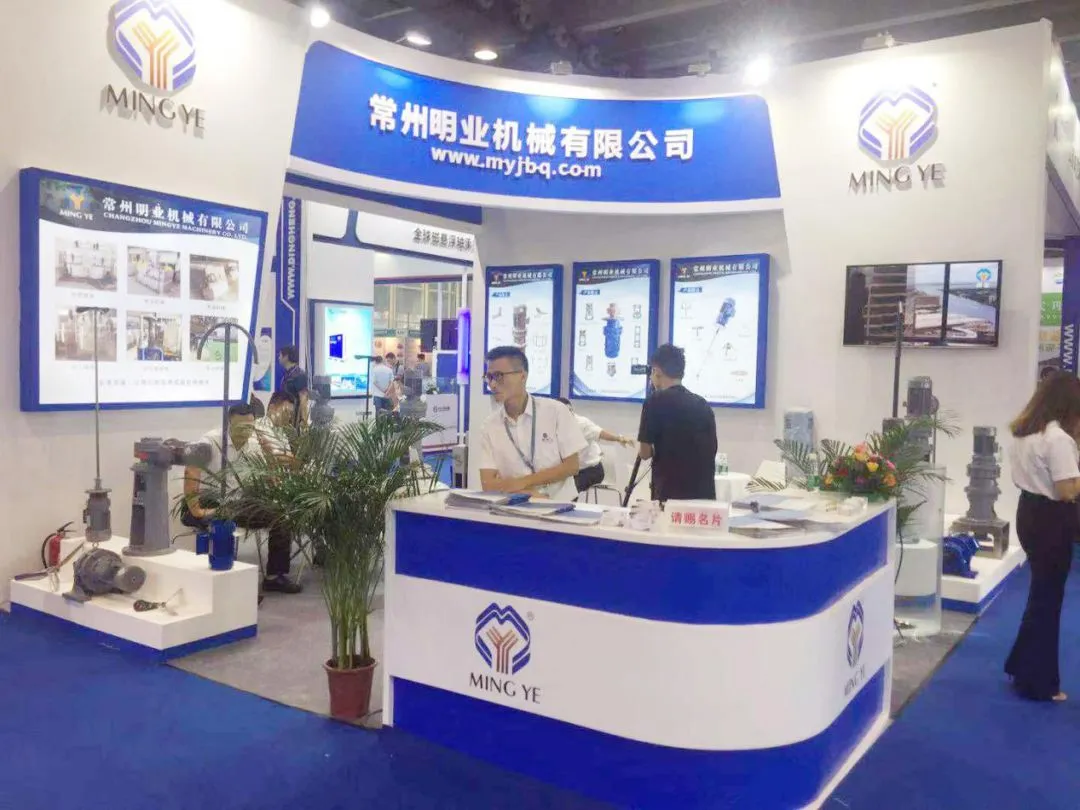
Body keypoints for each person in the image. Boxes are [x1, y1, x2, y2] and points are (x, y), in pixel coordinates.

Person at [1004, 371, 1080, 702]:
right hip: (1052, 520)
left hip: (1030, 514)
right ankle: (1038, 682)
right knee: (1048, 599)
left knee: (1040, 595)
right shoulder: (1058, 439)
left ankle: (1021, 665)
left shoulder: (1025, 434)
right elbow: (1067, 491)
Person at [182, 403, 302, 595]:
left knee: (281, 517)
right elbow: (191, 471)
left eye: (249, 426)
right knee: (224, 521)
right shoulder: (210, 441)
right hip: (210, 499)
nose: (245, 431)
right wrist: (196, 509)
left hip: (240, 503)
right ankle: (226, 584)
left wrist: (270, 454)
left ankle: (274, 576)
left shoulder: (256, 442)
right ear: (229, 423)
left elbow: (272, 473)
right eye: (240, 427)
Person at [478, 346, 586, 501]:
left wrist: (521, 482)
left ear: (523, 376)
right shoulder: (490, 426)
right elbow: (488, 484)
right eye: (489, 377)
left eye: (499, 376)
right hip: (514, 506)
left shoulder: (556, 411)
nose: (493, 384)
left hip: (561, 504)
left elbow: (571, 466)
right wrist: (527, 493)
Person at [637, 343, 717, 502]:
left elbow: (644, 453)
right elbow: (712, 448)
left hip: (670, 496)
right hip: (704, 495)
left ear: (656, 372)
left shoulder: (654, 402)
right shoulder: (702, 404)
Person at [557, 397, 634, 493]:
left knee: (569, 491)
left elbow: (600, 433)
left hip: (591, 470)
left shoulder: (581, 423)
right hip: (570, 472)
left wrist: (619, 438)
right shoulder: (554, 425)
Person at [277, 345, 309, 426]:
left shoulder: (299, 375)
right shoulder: (287, 374)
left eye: (280, 355)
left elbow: (303, 398)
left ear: (286, 357)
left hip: (294, 419)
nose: (278, 358)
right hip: (285, 417)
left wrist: (304, 420)